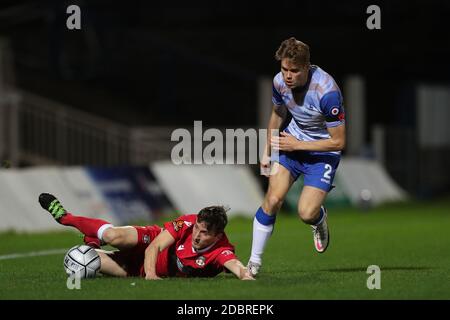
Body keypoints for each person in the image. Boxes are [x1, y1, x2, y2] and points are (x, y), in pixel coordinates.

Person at [247, 37, 346, 276]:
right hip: (291, 144)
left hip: (322, 151)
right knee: (272, 200)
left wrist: (298, 144)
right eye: (284, 69)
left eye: (294, 70)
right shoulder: (279, 82)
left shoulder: (327, 92)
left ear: (306, 67)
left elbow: (339, 141)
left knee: (306, 213)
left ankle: (318, 219)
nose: (287, 75)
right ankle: (253, 263)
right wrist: (267, 151)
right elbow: (277, 115)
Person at [38, 193, 254, 280]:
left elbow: (234, 264)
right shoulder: (187, 222)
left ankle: (93, 241)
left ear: (217, 236)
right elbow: (156, 247)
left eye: (204, 232)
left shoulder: (219, 250)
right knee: (114, 236)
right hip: (150, 242)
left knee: (85, 259)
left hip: (137, 270)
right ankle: (66, 218)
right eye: (197, 227)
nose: (196, 234)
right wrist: (151, 276)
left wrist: (246, 276)